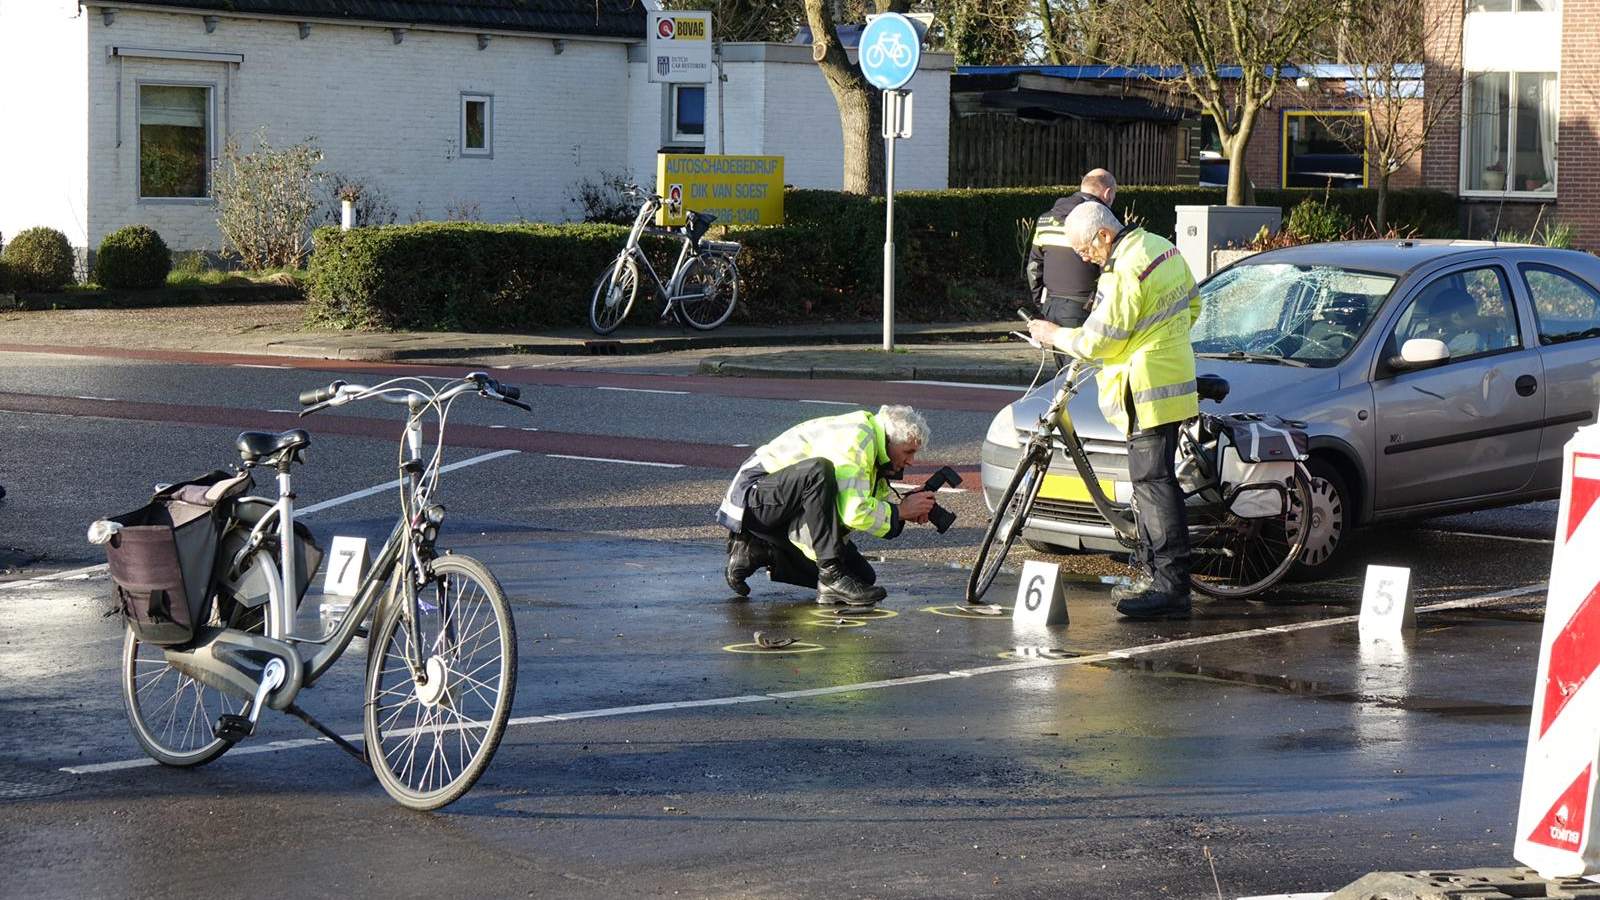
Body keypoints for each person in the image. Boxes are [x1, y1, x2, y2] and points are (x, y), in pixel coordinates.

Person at [1027, 202, 1201, 620]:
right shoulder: (1161, 247)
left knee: (1153, 486)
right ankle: (1157, 571)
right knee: (1157, 484)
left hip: (1145, 387)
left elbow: (1100, 341)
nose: (1084, 258)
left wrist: (1054, 334)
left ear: (1104, 235)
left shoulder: (1122, 269)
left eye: (1085, 249)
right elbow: (1193, 305)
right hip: (1171, 377)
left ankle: (1170, 587)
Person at [717, 405, 938, 606]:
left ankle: (761, 551)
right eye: (908, 452)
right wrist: (900, 511)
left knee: (862, 578)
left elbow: (853, 509)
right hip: (753, 498)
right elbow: (854, 511)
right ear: (889, 439)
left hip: (783, 505)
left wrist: (903, 512)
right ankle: (830, 576)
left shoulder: (879, 452)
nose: (911, 461)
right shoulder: (858, 438)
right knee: (818, 471)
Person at [1025, 169, 1118, 328]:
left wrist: (1041, 303)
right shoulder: (1102, 220)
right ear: (1108, 193)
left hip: (1051, 306)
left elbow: (1033, 268)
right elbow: (1114, 267)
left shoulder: (1045, 219)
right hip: (1087, 307)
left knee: (1061, 352)